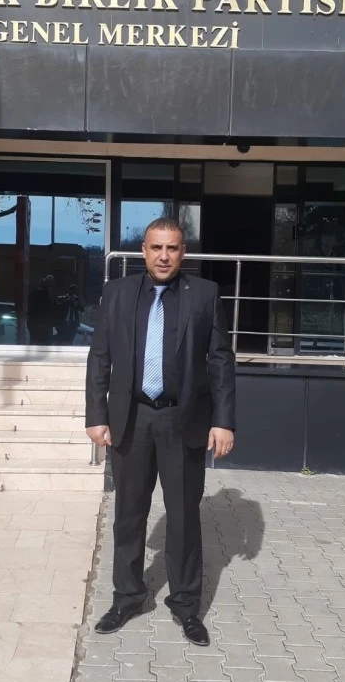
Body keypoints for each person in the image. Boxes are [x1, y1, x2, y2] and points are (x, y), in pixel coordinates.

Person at [85, 218, 236, 647]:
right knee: (129, 516)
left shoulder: (204, 294)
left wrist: (223, 420)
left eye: (172, 248)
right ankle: (127, 598)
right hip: (131, 419)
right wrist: (96, 414)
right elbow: (100, 357)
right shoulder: (117, 293)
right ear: (143, 251)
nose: (164, 256)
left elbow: (221, 361)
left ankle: (186, 606)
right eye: (156, 248)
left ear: (183, 252)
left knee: (184, 518)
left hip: (181, 420)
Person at [27, 274, 55, 345]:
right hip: (42, 323)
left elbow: (30, 307)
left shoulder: (34, 293)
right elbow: (50, 308)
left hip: (34, 321)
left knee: (35, 341)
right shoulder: (47, 295)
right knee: (44, 343)